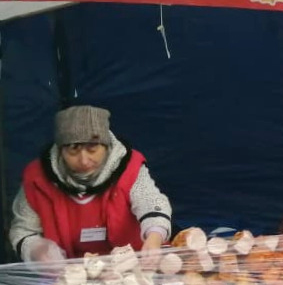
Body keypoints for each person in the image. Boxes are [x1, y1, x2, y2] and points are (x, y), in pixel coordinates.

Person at [9, 106, 172, 262]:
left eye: (92, 148)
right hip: (67, 275)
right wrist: (36, 249)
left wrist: (154, 235)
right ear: (60, 150)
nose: (84, 160)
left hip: (131, 266)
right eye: (73, 149)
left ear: (107, 145)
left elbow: (151, 201)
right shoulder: (37, 179)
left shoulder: (130, 168)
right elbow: (23, 230)